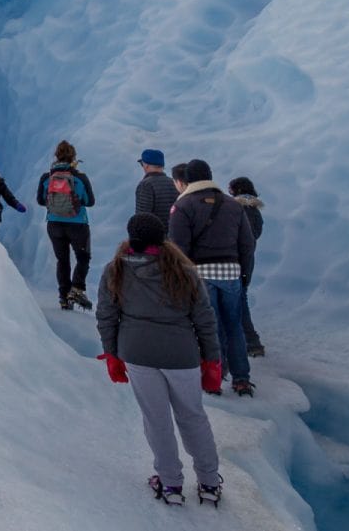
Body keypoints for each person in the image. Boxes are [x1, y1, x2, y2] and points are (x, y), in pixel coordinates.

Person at [97, 213, 225, 507]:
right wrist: (212, 360)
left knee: (157, 421)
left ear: (132, 239)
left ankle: (170, 484)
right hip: (181, 356)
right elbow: (204, 320)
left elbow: (106, 316)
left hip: (137, 354)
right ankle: (208, 481)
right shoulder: (184, 271)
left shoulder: (115, 269)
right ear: (162, 238)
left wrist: (112, 354)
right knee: (193, 417)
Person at [169, 159, 256, 396]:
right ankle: (241, 379)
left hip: (200, 274)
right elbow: (247, 245)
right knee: (234, 326)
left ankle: (214, 379)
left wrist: (181, 280)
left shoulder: (183, 205)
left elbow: (178, 248)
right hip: (231, 274)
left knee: (211, 328)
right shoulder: (233, 205)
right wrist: (243, 275)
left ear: (187, 179)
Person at [36, 140, 96, 310]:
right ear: (73, 157)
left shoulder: (46, 178)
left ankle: (64, 297)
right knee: (83, 257)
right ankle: (77, 288)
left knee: (62, 260)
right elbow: (90, 202)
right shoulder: (80, 178)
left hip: (54, 225)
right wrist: (76, 200)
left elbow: (40, 201)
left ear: (57, 156)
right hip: (77, 224)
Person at [228, 176, 266, 357]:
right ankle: (248, 341)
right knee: (240, 299)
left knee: (239, 302)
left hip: (235, 261)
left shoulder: (237, 210)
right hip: (248, 261)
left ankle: (251, 341)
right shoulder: (256, 211)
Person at [134, 148, 178, 225]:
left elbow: (141, 218)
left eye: (142, 164)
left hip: (154, 235)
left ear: (146, 165)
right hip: (174, 233)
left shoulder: (145, 185)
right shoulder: (174, 183)